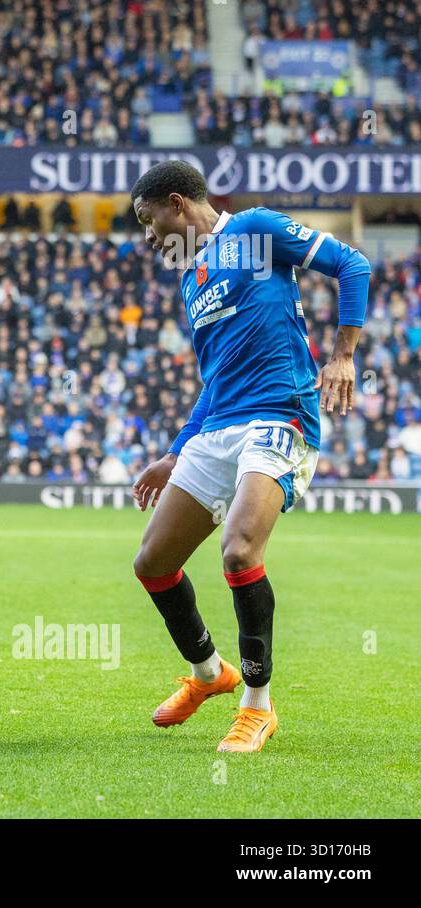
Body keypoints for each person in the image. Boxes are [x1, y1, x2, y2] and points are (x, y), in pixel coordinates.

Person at [128, 160, 370, 753]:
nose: (149, 234)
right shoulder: (191, 278)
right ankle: (211, 675)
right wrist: (175, 451)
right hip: (217, 430)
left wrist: (342, 355)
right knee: (152, 564)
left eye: (148, 218)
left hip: (279, 415)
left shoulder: (255, 230)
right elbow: (215, 380)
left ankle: (256, 706)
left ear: (178, 202)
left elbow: (352, 265)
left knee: (239, 551)